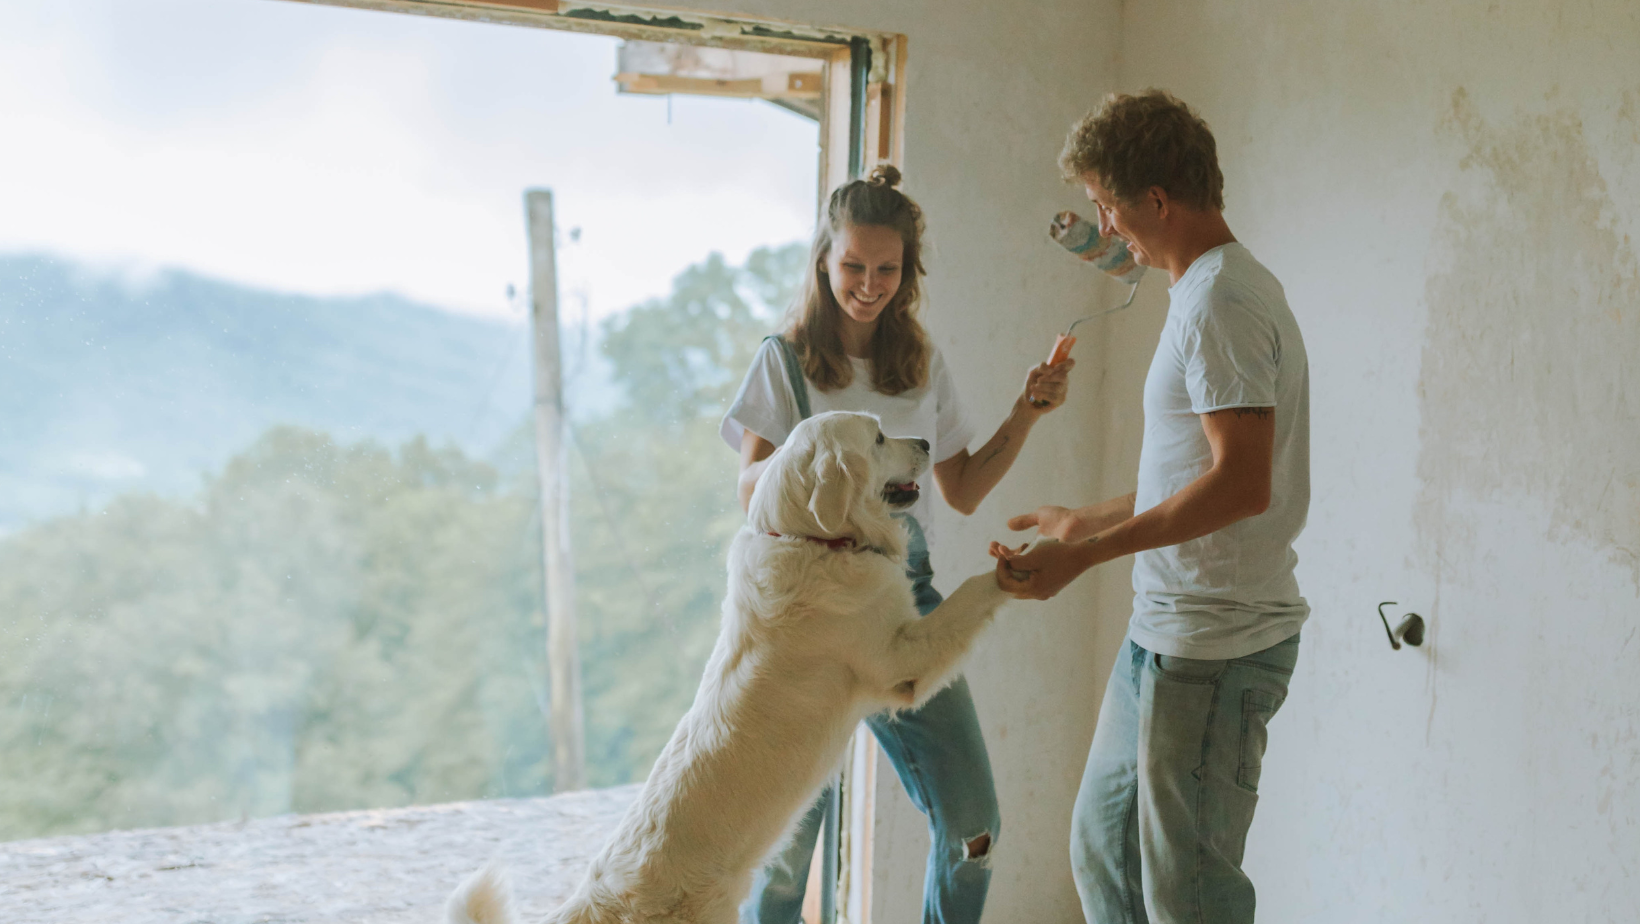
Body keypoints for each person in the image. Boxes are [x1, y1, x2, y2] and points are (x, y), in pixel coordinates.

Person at [721, 163, 1073, 924]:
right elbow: (750, 491)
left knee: (974, 827)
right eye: (853, 265)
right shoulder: (782, 361)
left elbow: (965, 489)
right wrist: (820, 454)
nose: (869, 284)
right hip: (805, 617)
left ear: (907, 272)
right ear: (824, 259)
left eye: (887, 269)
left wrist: (1029, 410)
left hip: (903, 603)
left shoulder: (920, 363)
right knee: (784, 861)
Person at [991, 90, 1311, 924]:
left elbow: (1243, 483)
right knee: (1104, 857)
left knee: (1187, 901)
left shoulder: (1222, 303)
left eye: (1106, 205)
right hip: (1163, 635)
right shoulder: (1203, 292)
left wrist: (1085, 561)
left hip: (1214, 645)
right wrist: (1084, 523)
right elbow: (1198, 474)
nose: (1105, 226)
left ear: (1157, 201)